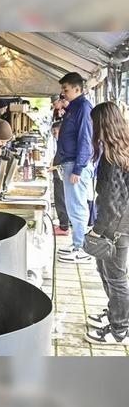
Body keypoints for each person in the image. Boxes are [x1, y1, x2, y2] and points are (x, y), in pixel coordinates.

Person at [84, 102, 129, 345]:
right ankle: (115, 315)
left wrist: (98, 230)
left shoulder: (112, 156)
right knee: (109, 272)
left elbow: (112, 200)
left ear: (103, 123)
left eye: (94, 122)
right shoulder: (121, 147)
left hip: (116, 226)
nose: (91, 127)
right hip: (120, 223)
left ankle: (120, 330)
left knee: (115, 277)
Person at [55, 72, 95, 264]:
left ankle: (82, 248)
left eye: (66, 89)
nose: (63, 93)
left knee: (77, 206)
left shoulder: (84, 107)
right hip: (68, 161)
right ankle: (77, 242)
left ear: (77, 89)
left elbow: (85, 138)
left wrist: (78, 168)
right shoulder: (74, 107)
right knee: (72, 206)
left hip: (76, 163)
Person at [51, 121, 70, 236]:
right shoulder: (61, 142)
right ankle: (63, 224)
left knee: (61, 200)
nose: (54, 134)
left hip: (61, 175)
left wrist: (55, 166)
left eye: (55, 132)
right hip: (58, 173)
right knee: (60, 199)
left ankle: (64, 227)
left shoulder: (66, 142)